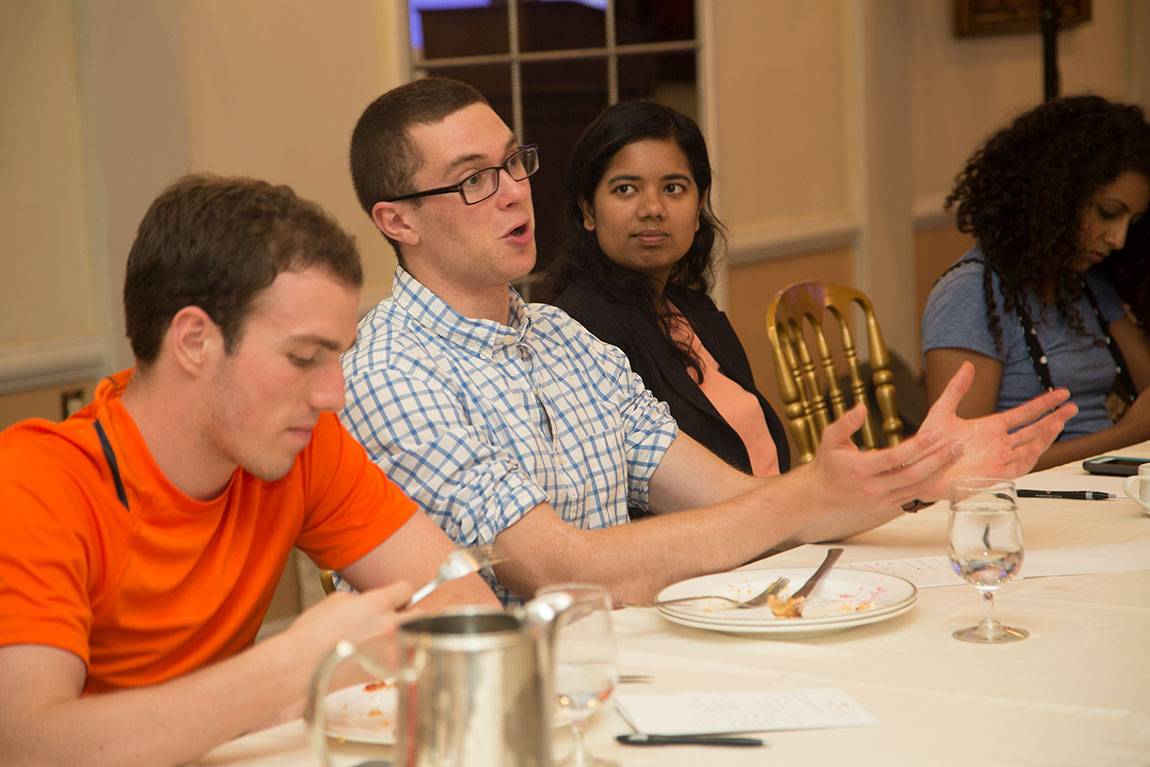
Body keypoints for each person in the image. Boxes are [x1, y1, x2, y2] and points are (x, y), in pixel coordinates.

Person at [342, 77, 1075, 607]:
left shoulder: (561, 339)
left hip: (637, 663)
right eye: (473, 180)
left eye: (512, 162)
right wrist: (806, 496)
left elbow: (739, 502)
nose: (510, 191)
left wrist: (917, 475)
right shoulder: (393, 371)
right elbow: (560, 568)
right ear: (397, 221)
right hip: (510, 710)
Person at [0, 174, 497, 767]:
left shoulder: (302, 447)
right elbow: (27, 744)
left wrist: (284, 689)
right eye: (303, 358)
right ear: (193, 341)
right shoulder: (36, 482)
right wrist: (285, 671)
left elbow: (464, 609)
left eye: (337, 357)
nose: (334, 394)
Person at [549, 100, 788, 483]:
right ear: (588, 211)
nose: (653, 208)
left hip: (782, 535)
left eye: (673, 188)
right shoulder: (581, 329)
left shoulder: (692, 308)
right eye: (626, 189)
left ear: (698, 208)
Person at [922, 95, 1150, 471]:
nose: (1119, 239)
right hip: (1030, 509)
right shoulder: (971, 295)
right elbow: (959, 467)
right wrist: (1123, 436)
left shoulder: (1086, 285)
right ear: (1056, 197)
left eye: (1134, 222)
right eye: (1108, 213)